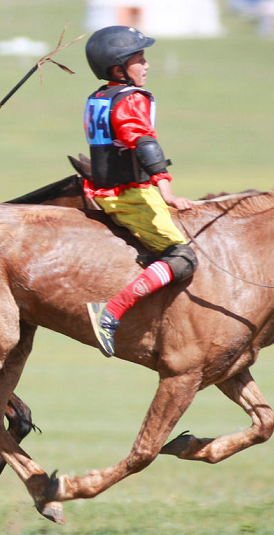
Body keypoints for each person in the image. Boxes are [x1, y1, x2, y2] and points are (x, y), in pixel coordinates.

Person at [81, 25, 198, 358]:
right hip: (129, 195)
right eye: (139, 59)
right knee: (183, 257)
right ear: (119, 69)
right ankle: (112, 312)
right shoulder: (130, 99)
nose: (146, 65)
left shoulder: (100, 97)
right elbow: (144, 145)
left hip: (103, 190)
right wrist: (168, 193)